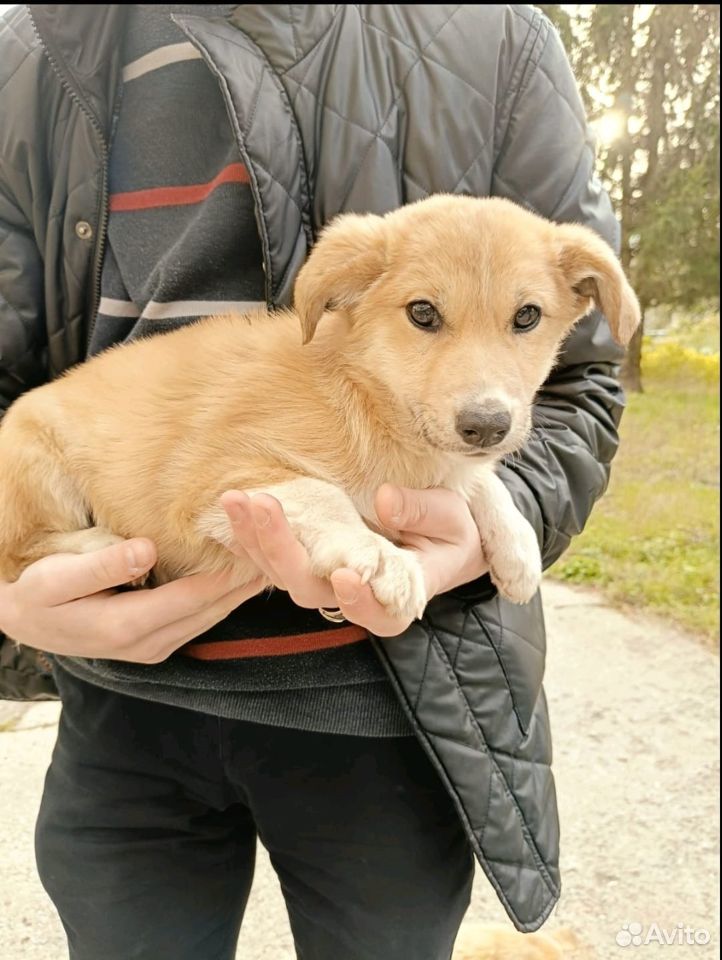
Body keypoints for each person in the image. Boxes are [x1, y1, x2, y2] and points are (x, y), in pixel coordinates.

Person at [0, 5, 625, 958]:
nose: (483, 383)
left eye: (525, 320)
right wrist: (8, 596)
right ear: (337, 291)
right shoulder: (31, 52)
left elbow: (581, 393)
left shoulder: (498, 42)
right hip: (120, 711)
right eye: (427, 316)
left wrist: (507, 506)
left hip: (391, 722)